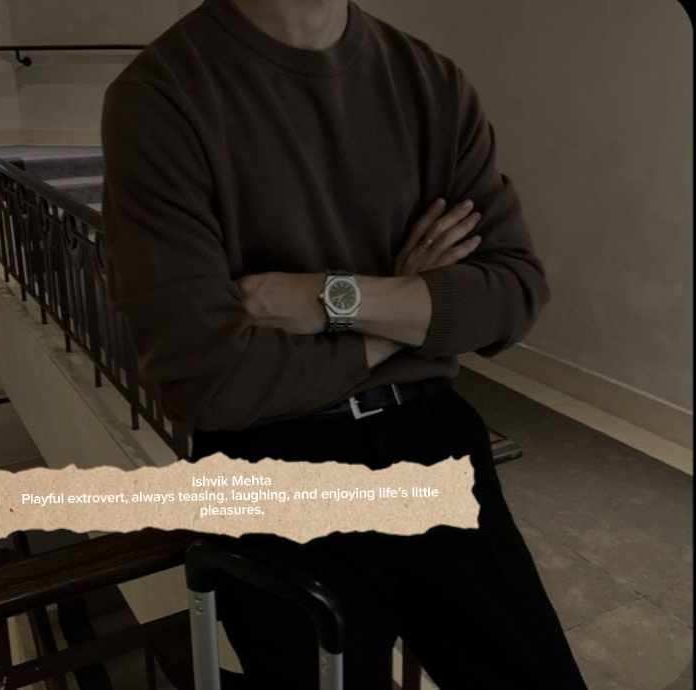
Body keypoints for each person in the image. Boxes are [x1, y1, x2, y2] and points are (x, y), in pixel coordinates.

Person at [100, 0, 589, 687]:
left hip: (431, 439)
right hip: (267, 464)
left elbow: (513, 294)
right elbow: (207, 381)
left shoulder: (431, 82)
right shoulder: (160, 97)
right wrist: (409, 307)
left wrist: (331, 299)